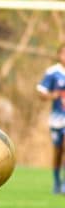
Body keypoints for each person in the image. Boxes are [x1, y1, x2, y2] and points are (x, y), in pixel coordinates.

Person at [36, 44, 65, 194]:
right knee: (58, 152)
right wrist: (51, 95)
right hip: (56, 119)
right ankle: (56, 181)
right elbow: (41, 92)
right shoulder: (53, 72)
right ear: (59, 55)